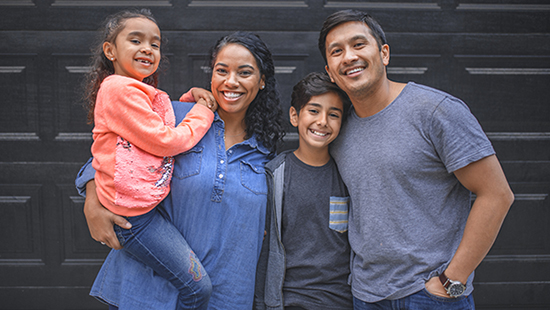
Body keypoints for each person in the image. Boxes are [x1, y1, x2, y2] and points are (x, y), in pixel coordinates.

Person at [318, 9, 514, 309]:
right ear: (330, 71)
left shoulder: (435, 111)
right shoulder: (338, 129)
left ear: (384, 53)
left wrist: (451, 280)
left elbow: (497, 195)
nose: (348, 57)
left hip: (430, 295)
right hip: (366, 295)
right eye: (337, 51)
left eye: (359, 44)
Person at [75, 31, 285, 309]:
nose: (230, 81)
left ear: (261, 82)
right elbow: (110, 156)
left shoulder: (267, 152)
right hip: (152, 292)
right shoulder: (178, 119)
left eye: (244, 72)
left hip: (227, 295)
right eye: (221, 71)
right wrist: (92, 201)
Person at [83, 8, 217, 310]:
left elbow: (157, 116)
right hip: (135, 220)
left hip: (143, 210)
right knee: (198, 289)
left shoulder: (134, 90)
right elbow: (165, 139)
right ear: (110, 51)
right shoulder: (118, 90)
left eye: (154, 44)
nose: (147, 48)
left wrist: (187, 99)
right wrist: (203, 112)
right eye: (135, 40)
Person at [254, 72, 353, 310]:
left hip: (342, 301)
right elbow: (263, 250)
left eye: (333, 115)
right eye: (314, 111)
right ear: (294, 116)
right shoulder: (274, 175)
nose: (322, 122)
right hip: (290, 301)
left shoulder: (348, 175)